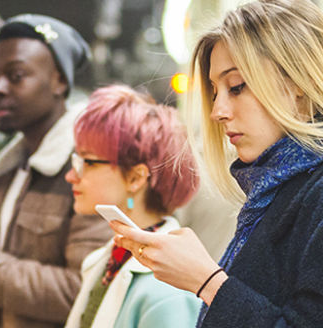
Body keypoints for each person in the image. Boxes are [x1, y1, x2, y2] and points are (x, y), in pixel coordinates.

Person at [109, 0, 323, 327]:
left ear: (295, 82)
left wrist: (207, 280)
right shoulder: (274, 188)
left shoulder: (310, 192)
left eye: (236, 87)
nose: (217, 111)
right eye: (213, 92)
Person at [0, 14, 112, 328]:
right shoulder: (7, 169)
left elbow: (85, 289)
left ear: (60, 81)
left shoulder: (90, 168)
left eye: (16, 75)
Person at [64, 84, 202, 328]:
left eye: (89, 162)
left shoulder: (169, 290)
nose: (72, 176)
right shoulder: (112, 258)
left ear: (136, 178)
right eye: (77, 160)